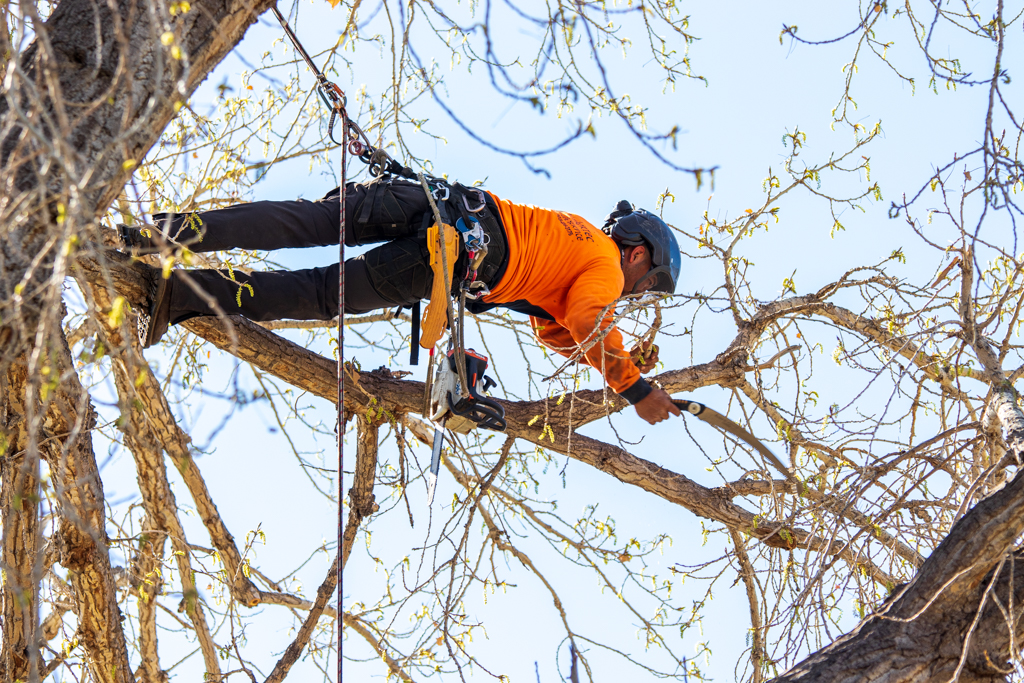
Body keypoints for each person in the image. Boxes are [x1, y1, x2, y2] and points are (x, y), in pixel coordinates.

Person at [119, 177, 683, 425]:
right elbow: (587, 319)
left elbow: (558, 329)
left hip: (437, 202)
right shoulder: (608, 269)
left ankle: (154, 233)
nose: (637, 293)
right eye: (648, 281)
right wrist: (635, 388)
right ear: (638, 255)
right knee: (320, 291)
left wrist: (620, 351)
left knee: (303, 220)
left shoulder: (578, 237)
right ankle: (183, 294)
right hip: (449, 255)